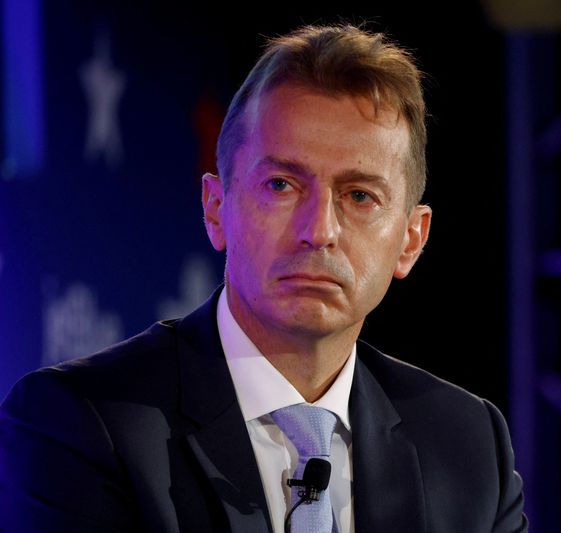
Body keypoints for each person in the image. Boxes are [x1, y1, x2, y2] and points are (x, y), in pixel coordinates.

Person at [0, 22, 528, 532]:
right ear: (215, 207)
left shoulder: (467, 444)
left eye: (360, 196)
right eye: (281, 185)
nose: (319, 231)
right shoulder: (79, 426)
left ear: (411, 239)